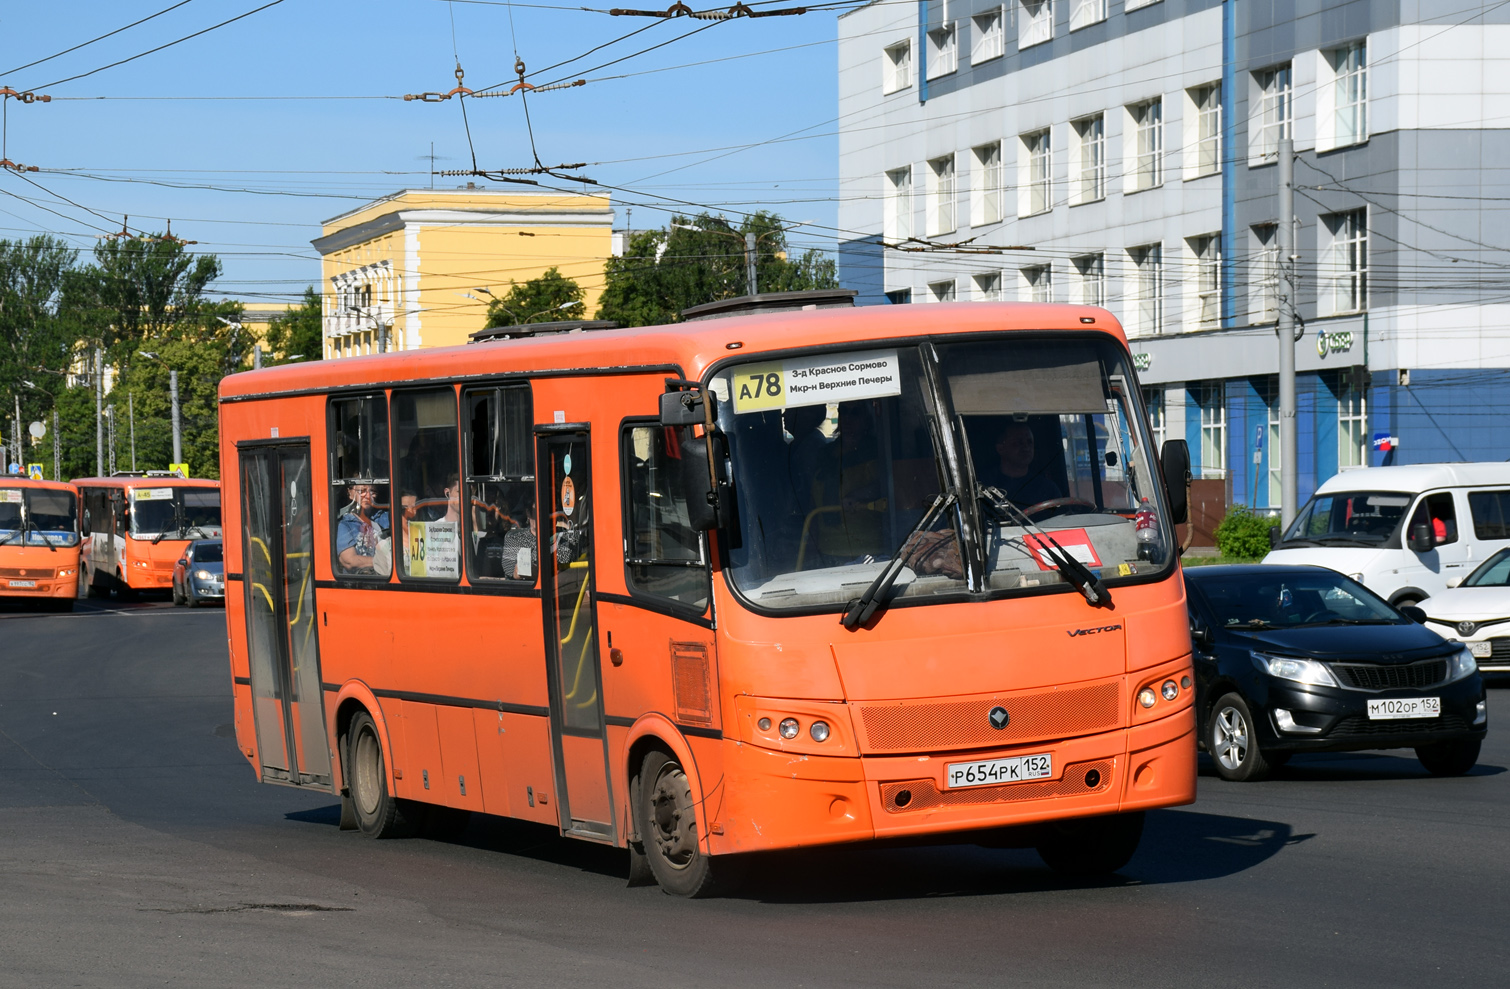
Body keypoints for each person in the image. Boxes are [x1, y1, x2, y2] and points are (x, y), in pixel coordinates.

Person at [981, 421, 1060, 508]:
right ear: (1001, 449)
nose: (1026, 447)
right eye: (1018, 442)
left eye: (1029, 442)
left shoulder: (1048, 489)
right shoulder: (984, 487)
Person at [336, 483, 389, 572]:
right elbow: (349, 561)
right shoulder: (345, 524)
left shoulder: (384, 518)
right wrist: (385, 561)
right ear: (350, 493)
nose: (368, 496)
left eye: (372, 491)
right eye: (362, 491)